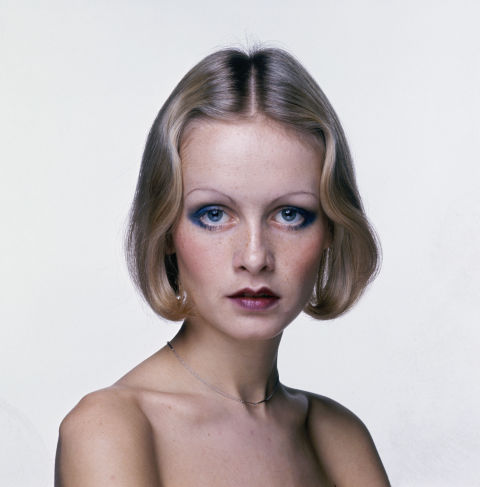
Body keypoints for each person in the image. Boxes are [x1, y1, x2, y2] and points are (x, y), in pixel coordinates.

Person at [55, 46, 390, 486]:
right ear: (165, 228)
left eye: (290, 214)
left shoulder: (341, 438)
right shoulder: (112, 429)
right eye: (214, 214)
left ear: (330, 228)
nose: (254, 257)